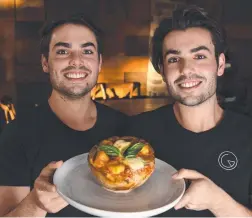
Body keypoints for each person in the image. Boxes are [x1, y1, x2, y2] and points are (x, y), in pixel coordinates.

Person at [126, 6, 252, 217]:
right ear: (163, 71)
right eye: (174, 59)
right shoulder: (135, 134)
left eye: (199, 56)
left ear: (220, 64)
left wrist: (217, 202)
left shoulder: (248, 135)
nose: (186, 69)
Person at [0, 14, 127, 217]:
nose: (76, 61)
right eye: (62, 51)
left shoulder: (125, 129)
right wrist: (35, 204)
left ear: (99, 62)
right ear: (45, 63)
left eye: (87, 51)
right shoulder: (17, 134)